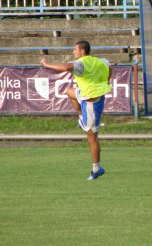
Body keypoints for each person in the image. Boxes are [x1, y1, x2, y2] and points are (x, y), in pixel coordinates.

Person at [41, 40, 113, 180]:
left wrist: (46, 64)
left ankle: (97, 168)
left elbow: (66, 67)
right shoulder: (99, 61)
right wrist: (107, 80)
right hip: (86, 94)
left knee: (92, 138)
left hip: (92, 103)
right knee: (69, 92)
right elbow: (110, 67)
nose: (73, 51)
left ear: (82, 51)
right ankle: (81, 117)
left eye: (75, 49)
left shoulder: (81, 63)